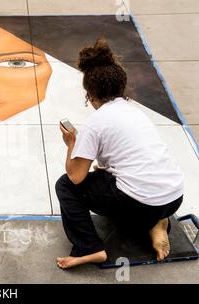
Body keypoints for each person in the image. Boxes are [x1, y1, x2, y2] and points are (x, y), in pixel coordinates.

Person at [55, 38, 184, 269]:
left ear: (91, 95)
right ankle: (158, 222)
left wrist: (71, 143)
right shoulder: (135, 112)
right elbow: (132, 157)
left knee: (65, 186)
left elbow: (76, 177)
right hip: (174, 196)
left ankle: (90, 248)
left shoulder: (95, 124)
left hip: (141, 202)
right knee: (111, 180)